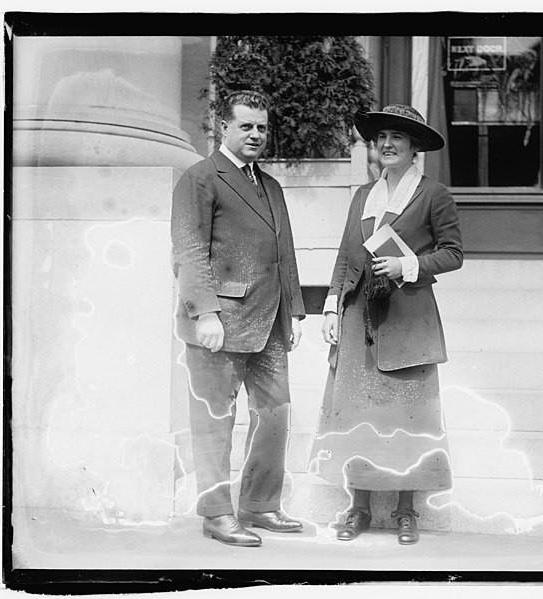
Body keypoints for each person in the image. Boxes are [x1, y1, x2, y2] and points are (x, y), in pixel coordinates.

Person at [310, 104, 463, 545]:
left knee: (407, 417)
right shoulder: (363, 195)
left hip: (408, 314)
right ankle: (357, 508)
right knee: (357, 412)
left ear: (415, 147)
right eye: (381, 138)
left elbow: (453, 253)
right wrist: (331, 307)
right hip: (361, 314)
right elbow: (345, 254)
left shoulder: (434, 194)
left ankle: (405, 510)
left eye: (398, 136)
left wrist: (407, 264)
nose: (388, 144)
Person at [171, 90, 305, 547]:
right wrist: (205, 313)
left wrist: (296, 311)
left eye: (262, 127)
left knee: (275, 417)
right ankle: (215, 513)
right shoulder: (200, 178)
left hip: (269, 324)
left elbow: (283, 253)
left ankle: (260, 505)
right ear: (222, 127)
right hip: (219, 325)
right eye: (246, 125)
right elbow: (189, 251)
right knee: (214, 421)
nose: (255, 134)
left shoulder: (270, 186)